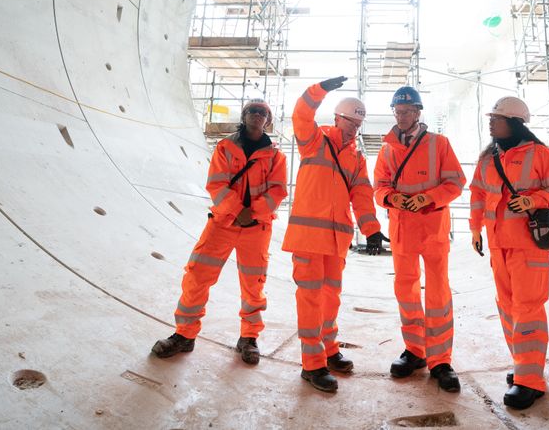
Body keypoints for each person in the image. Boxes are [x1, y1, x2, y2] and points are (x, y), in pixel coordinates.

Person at [151, 99, 287, 365]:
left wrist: (254, 213)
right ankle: (184, 334)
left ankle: (248, 338)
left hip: (256, 229)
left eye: (263, 112)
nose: (257, 115)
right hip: (223, 223)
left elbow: (278, 191)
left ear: (267, 120)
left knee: (253, 285)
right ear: (245, 116)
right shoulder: (225, 147)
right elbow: (216, 184)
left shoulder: (275, 156)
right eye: (253, 111)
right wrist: (239, 211)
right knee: (197, 276)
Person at [282, 76, 388, 393]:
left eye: (358, 125)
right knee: (311, 299)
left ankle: (328, 349)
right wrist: (320, 89)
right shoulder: (314, 140)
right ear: (337, 118)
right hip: (308, 238)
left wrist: (371, 230)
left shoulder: (355, 157)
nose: (353, 129)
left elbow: (361, 194)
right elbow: (301, 114)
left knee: (330, 298)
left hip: (336, 240)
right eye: (349, 122)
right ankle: (312, 364)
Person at [468, 96, 549, 410]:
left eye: (496, 118)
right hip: (498, 244)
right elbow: (477, 193)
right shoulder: (488, 158)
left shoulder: (539, 154)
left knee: (527, 308)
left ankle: (530, 381)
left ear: (513, 122)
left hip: (528, 245)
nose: (490, 122)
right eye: (490, 117)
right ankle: (524, 367)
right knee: (508, 307)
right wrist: (475, 229)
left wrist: (533, 200)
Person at [373, 86, 465, 393]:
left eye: (407, 111)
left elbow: (455, 183)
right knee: (406, 290)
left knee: (438, 292)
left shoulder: (439, 144)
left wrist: (427, 198)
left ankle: (441, 360)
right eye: (397, 112)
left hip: (432, 227)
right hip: (402, 229)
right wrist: (393, 199)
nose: (401, 117)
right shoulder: (387, 149)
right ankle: (415, 351)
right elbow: (379, 188)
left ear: (418, 112)